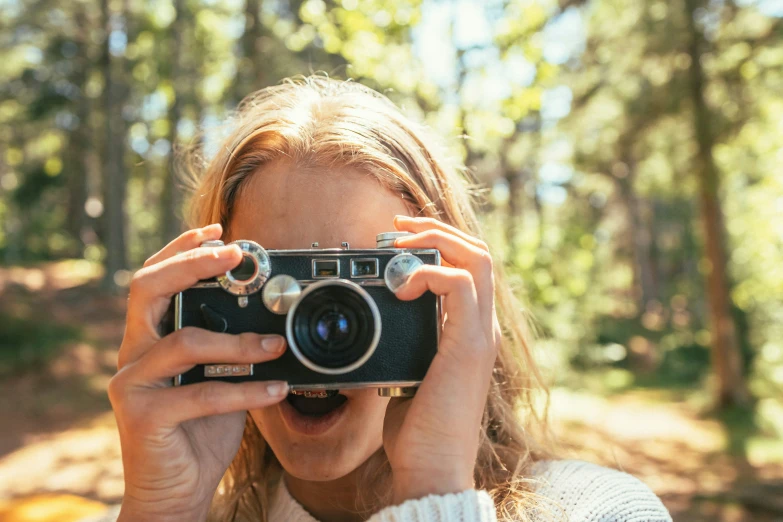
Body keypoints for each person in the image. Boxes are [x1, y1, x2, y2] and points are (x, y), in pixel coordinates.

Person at [108, 76, 671, 522]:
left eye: (361, 284)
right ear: (206, 297)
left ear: (451, 301)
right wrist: (165, 510)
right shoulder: (163, 511)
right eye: (271, 284)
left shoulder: (598, 512)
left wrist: (434, 491)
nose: (319, 323)